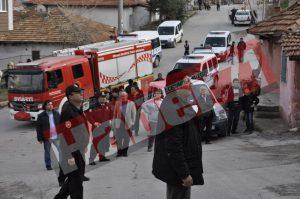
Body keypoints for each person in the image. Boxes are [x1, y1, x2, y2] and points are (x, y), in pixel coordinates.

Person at [152, 69, 204, 199]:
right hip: (177, 172)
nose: (190, 84)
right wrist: (184, 174)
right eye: (187, 82)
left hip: (180, 168)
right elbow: (173, 146)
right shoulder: (172, 107)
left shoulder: (181, 103)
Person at [54, 85, 90, 199]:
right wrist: (69, 155)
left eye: (81, 91)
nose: (81, 94)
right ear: (70, 96)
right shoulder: (67, 111)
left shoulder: (76, 108)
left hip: (78, 150)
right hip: (71, 153)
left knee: (74, 180)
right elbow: (64, 134)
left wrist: (83, 145)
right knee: (76, 184)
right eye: (78, 92)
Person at [86, 93, 112, 165]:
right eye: (101, 97)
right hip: (97, 129)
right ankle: (91, 159)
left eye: (104, 97)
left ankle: (102, 157)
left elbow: (111, 114)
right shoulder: (93, 106)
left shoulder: (108, 105)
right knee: (95, 144)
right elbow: (88, 115)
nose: (103, 99)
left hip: (106, 128)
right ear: (98, 98)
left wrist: (111, 121)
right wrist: (94, 123)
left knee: (103, 143)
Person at [36, 100, 60, 171]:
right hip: (47, 137)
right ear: (45, 106)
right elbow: (38, 128)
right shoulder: (41, 116)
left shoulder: (56, 113)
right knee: (47, 151)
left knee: (60, 151)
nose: (51, 106)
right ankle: (48, 165)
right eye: (49, 104)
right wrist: (39, 138)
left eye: (51, 104)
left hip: (56, 136)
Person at [112, 91, 136, 157]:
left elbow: (134, 114)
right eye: (121, 96)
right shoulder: (117, 103)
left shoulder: (131, 103)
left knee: (126, 138)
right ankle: (119, 152)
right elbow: (114, 113)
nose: (123, 97)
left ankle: (125, 152)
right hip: (119, 124)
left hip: (128, 124)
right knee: (119, 138)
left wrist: (132, 123)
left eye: (124, 96)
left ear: (127, 96)